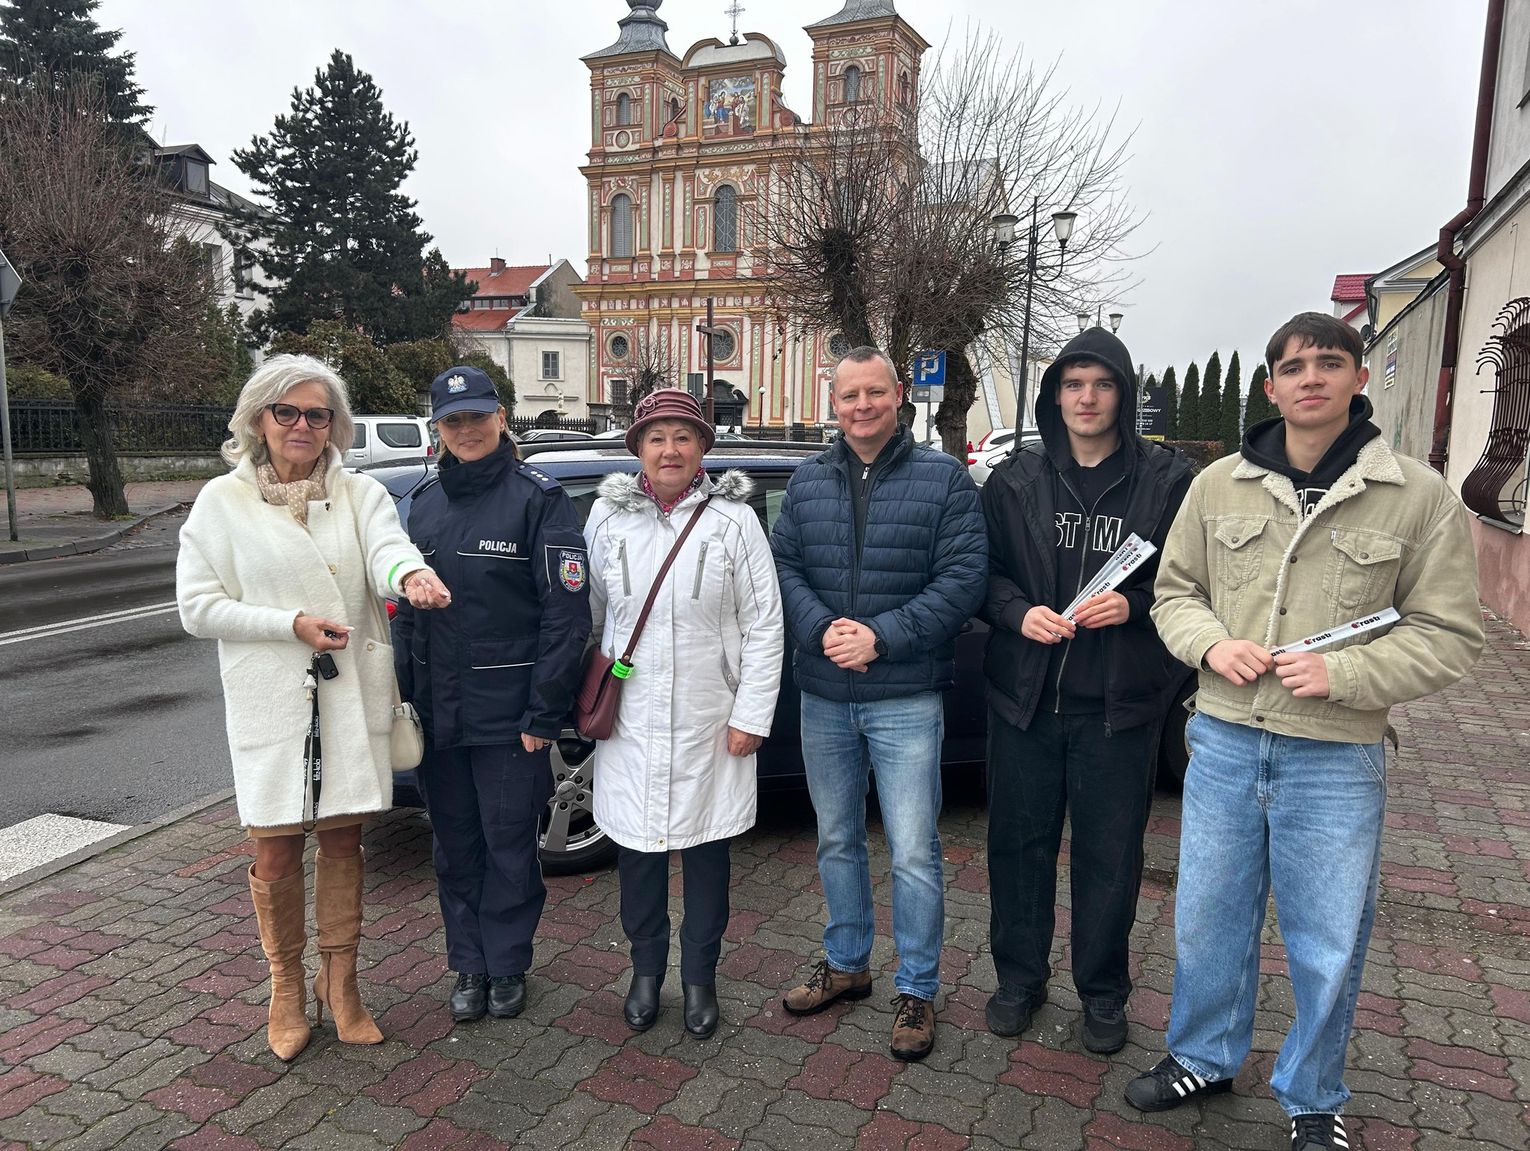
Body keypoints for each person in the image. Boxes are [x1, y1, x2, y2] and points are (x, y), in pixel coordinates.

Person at [1128, 313, 1484, 1150]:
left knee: (1326, 936)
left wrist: (1347, 674)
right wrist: (1212, 642)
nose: (1311, 378)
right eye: (1294, 367)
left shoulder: (1416, 495)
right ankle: (1203, 1054)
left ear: (1359, 377)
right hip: (1221, 738)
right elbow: (1174, 593)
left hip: (1336, 753)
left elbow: (1450, 633)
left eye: (1330, 363)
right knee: (1208, 917)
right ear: (1271, 387)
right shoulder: (1218, 486)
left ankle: (1314, 1093)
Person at [177, 354, 451, 1061]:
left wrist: (412, 572)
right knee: (273, 849)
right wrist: (289, 623)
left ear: (336, 424)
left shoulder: (360, 494)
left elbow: (387, 548)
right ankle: (287, 989)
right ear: (258, 419)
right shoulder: (220, 503)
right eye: (287, 412)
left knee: (342, 839)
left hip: (347, 693)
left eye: (317, 413)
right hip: (272, 696)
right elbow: (198, 606)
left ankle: (343, 983)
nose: (302, 425)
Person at [980, 326, 1192, 1054]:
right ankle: (1019, 979)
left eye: (1102, 384)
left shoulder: (1168, 483)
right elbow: (985, 576)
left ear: (1123, 394)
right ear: (1055, 395)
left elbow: (1192, 585)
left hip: (1120, 706)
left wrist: (1134, 606)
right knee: (1018, 847)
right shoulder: (1015, 480)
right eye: (1074, 383)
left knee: (1110, 857)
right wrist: (1017, 613)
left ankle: (1103, 992)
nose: (1087, 397)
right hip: (1026, 701)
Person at [773, 346, 986, 1061]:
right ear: (831, 403)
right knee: (835, 837)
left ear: (899, 395)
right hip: (825, 693)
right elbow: (784, 566)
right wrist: (818, 627)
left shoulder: (945, 479)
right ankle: (848, 962)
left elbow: (964, 578)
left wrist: (881, 637)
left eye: (874, 392)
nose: (861, 406)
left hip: (905, 694)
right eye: (847, 395)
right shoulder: (806, 482)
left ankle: (918, 988)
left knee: (915, 850)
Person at [393, 366, 591, 1024]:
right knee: (454, 848)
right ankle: (467, 963)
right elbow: (405, 613)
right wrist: (401, 699)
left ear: (501, 417)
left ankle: (507, 963)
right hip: (437, 715)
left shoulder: (539, 498)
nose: (467, 430)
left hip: (510, 719)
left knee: (509, 847)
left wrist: (545, 712)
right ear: (438, 429)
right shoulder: (423, 503)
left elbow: (566, 617)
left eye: (478, 417)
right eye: (453, 421)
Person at [583, 388, 783, 1040]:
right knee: (637, 854)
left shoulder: (734, 521)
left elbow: (764, 624)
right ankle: (646, 973)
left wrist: (751, 712)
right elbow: (589, 618)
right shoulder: (606, 522)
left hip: (708, 720)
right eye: (657, 436)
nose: (670, 449)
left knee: (706, 857)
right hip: (633, 722)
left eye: (683, 436)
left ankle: (699, 977)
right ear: (638, 447)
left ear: (703, 447)